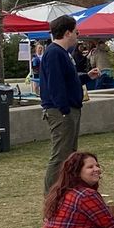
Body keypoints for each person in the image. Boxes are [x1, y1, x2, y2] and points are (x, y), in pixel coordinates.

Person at [39, 14, 84, 192]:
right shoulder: (54, 53)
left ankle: (66, 190)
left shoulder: (63, 54)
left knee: (70, 154)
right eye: (76, 31)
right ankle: (51, 195)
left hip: (70, 109)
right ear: (67, 33)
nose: (77, 35)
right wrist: (64, 109)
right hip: (61, 112)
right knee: (60, 155)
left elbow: (68, 81)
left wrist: (87, 77)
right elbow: (55, 83)